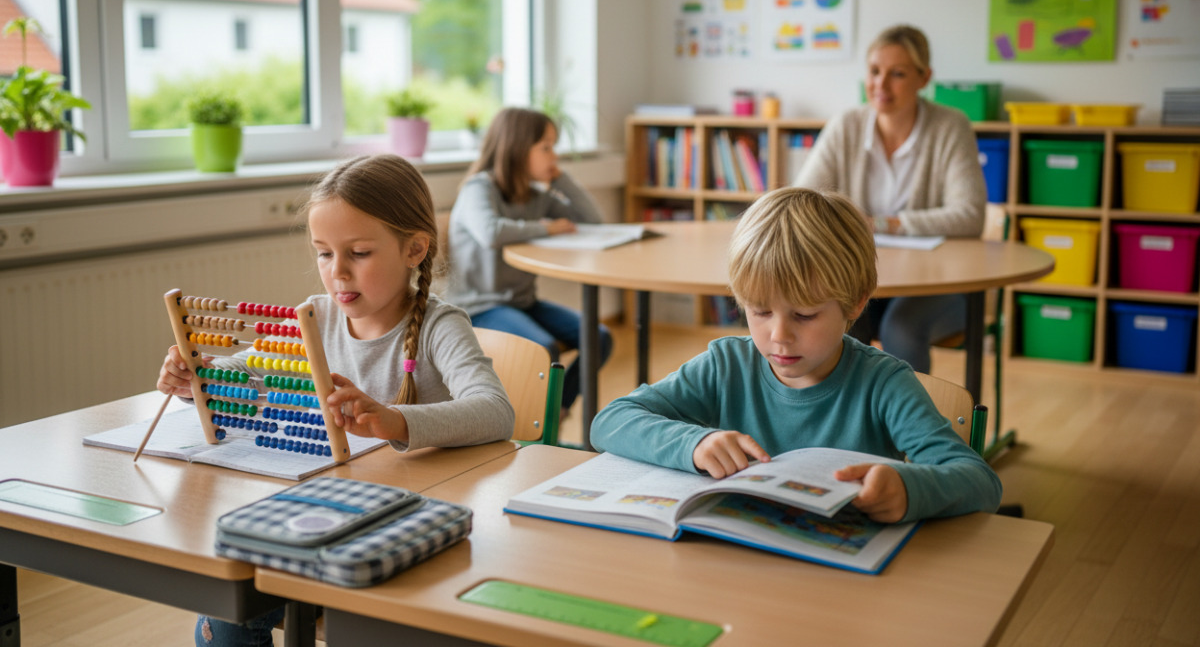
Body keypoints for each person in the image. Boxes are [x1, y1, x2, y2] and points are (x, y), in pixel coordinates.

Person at [156, 153, 515, 647]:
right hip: (322, 510)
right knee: (227, 606)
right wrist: (194, 378)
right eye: (324, 253)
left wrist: (393, 420)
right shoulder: (316, 319)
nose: (337, 272)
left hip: (405, 522)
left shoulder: (440, 325)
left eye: (359, 253)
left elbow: (495, 410)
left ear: (414, 249)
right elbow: (240, 369)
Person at [591, 187, 1001, 524]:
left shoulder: (884, 384)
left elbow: (980, 482)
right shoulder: (726, 365)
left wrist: (908, 489)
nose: (778, 336)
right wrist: (695, 443)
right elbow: (610, 421)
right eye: (760, 311)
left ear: (855, 304)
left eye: (804, 315)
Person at [796, 24, 987, 373]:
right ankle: (849, 424)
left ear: (923, 77)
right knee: (837, 320)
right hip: (862, 275)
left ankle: (912, 427)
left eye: (897, 74)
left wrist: (884, 224)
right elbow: (801, 201)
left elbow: (970, 215)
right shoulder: (846, 126)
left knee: (902, 328)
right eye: (874, 71)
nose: (880, 85)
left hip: (937, 284)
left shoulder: (950, 126)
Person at [445, 106, 613, 414]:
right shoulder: (478, 188)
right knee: (542, 347)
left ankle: (555, 411)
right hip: (479, 307)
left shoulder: (536, 197)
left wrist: (562, 180)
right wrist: (548, 227)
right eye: (546, 148)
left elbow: (592, 221)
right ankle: (538, 422)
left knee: (599, 337)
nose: (554, 156)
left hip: (522, 303)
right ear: (518, 150)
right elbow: (490, 232)